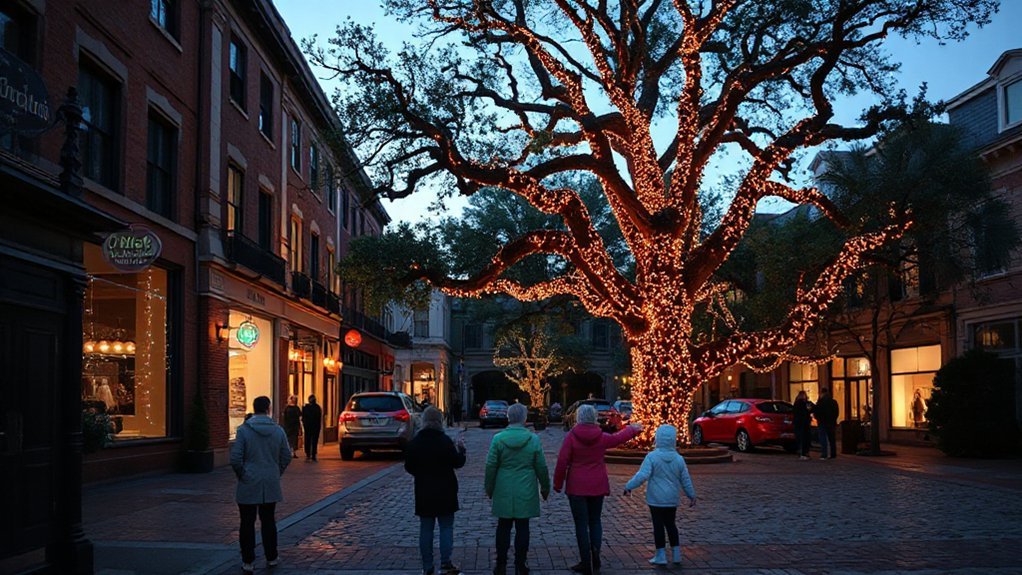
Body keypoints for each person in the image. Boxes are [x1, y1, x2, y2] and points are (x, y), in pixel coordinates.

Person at [554, 404, 642, 575]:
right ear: (594, 417)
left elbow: (562, 461)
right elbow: (618, 438)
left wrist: (558, 483)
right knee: (595, 521)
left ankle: (585, 561)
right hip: (597, 484)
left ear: (578, 417)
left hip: (577, 486)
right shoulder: (600, 436)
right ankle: (596, 554)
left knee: (581, 524)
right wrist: (633, 429)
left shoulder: (571, 437)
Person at [484, 402, 550, 575]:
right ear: (524, 418)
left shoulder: (498, 439)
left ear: (508, 417)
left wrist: (489, 488)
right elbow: (541, 467)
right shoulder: (533, 439)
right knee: (523, 527)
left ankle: (501, 563)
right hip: (526, 485)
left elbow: (491, 466)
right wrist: (545, 487)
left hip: (504, 486)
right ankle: (521, 562)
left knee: (503, 526)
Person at [229, 395, 291, 573]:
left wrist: (243, 474)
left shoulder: (244, 430)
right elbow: (286, 455)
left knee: (247, 522)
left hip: (249, 480)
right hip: (269, 479)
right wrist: (276, 471)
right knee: (269, 520)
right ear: (268, 409)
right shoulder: (278, 430)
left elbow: (235, 458)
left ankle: (248, 560)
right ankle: (271, 556)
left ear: (254, 408)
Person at [623, 424, 697, 565]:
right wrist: (691, 495)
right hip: (672, 498)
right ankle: (676, 554)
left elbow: (642, 475)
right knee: (671, 524)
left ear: (658, 438)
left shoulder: (652, 457)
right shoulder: (679, 459)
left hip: (656, 499)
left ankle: (661, 555)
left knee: (658, 526)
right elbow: (685, 480)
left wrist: (629, 486)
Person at [405, 406, 467, 575]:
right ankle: (446, 563)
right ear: (440, 421)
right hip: (446, 491)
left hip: (424, 491)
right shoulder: (445, 441)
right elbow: (458, 462)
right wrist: (461, 450)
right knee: (446, 528)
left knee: (426, 529)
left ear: (424, 421)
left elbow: (409, 466)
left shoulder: (416, 442)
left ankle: (427, 566)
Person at [814, 388, 839, 459]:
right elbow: (836, 412)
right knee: (832, 439)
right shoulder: (833, 402)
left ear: (822, 393)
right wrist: (834, 419)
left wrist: (818, 418)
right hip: (831, 422)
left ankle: (824, 454)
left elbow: (817, 412)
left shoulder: (820, 402)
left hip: (822, 422)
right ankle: (833, 453)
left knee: (823, 438)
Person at [792, 390, 814, 460]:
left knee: (800, 438)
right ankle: (804, 453)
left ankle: (802, 453)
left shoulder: (797, 403)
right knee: (805, 438)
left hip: (799, 423)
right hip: (804, 423)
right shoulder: (804, 403)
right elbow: (809, 410)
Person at [302, 394, 322, 461]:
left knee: (309, 440)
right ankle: (312, 455)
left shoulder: (306, 407)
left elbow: (304, 417)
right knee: (313, 441)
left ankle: (310, 454)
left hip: (310, 427)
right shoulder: (317, 407)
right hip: (313, 427)